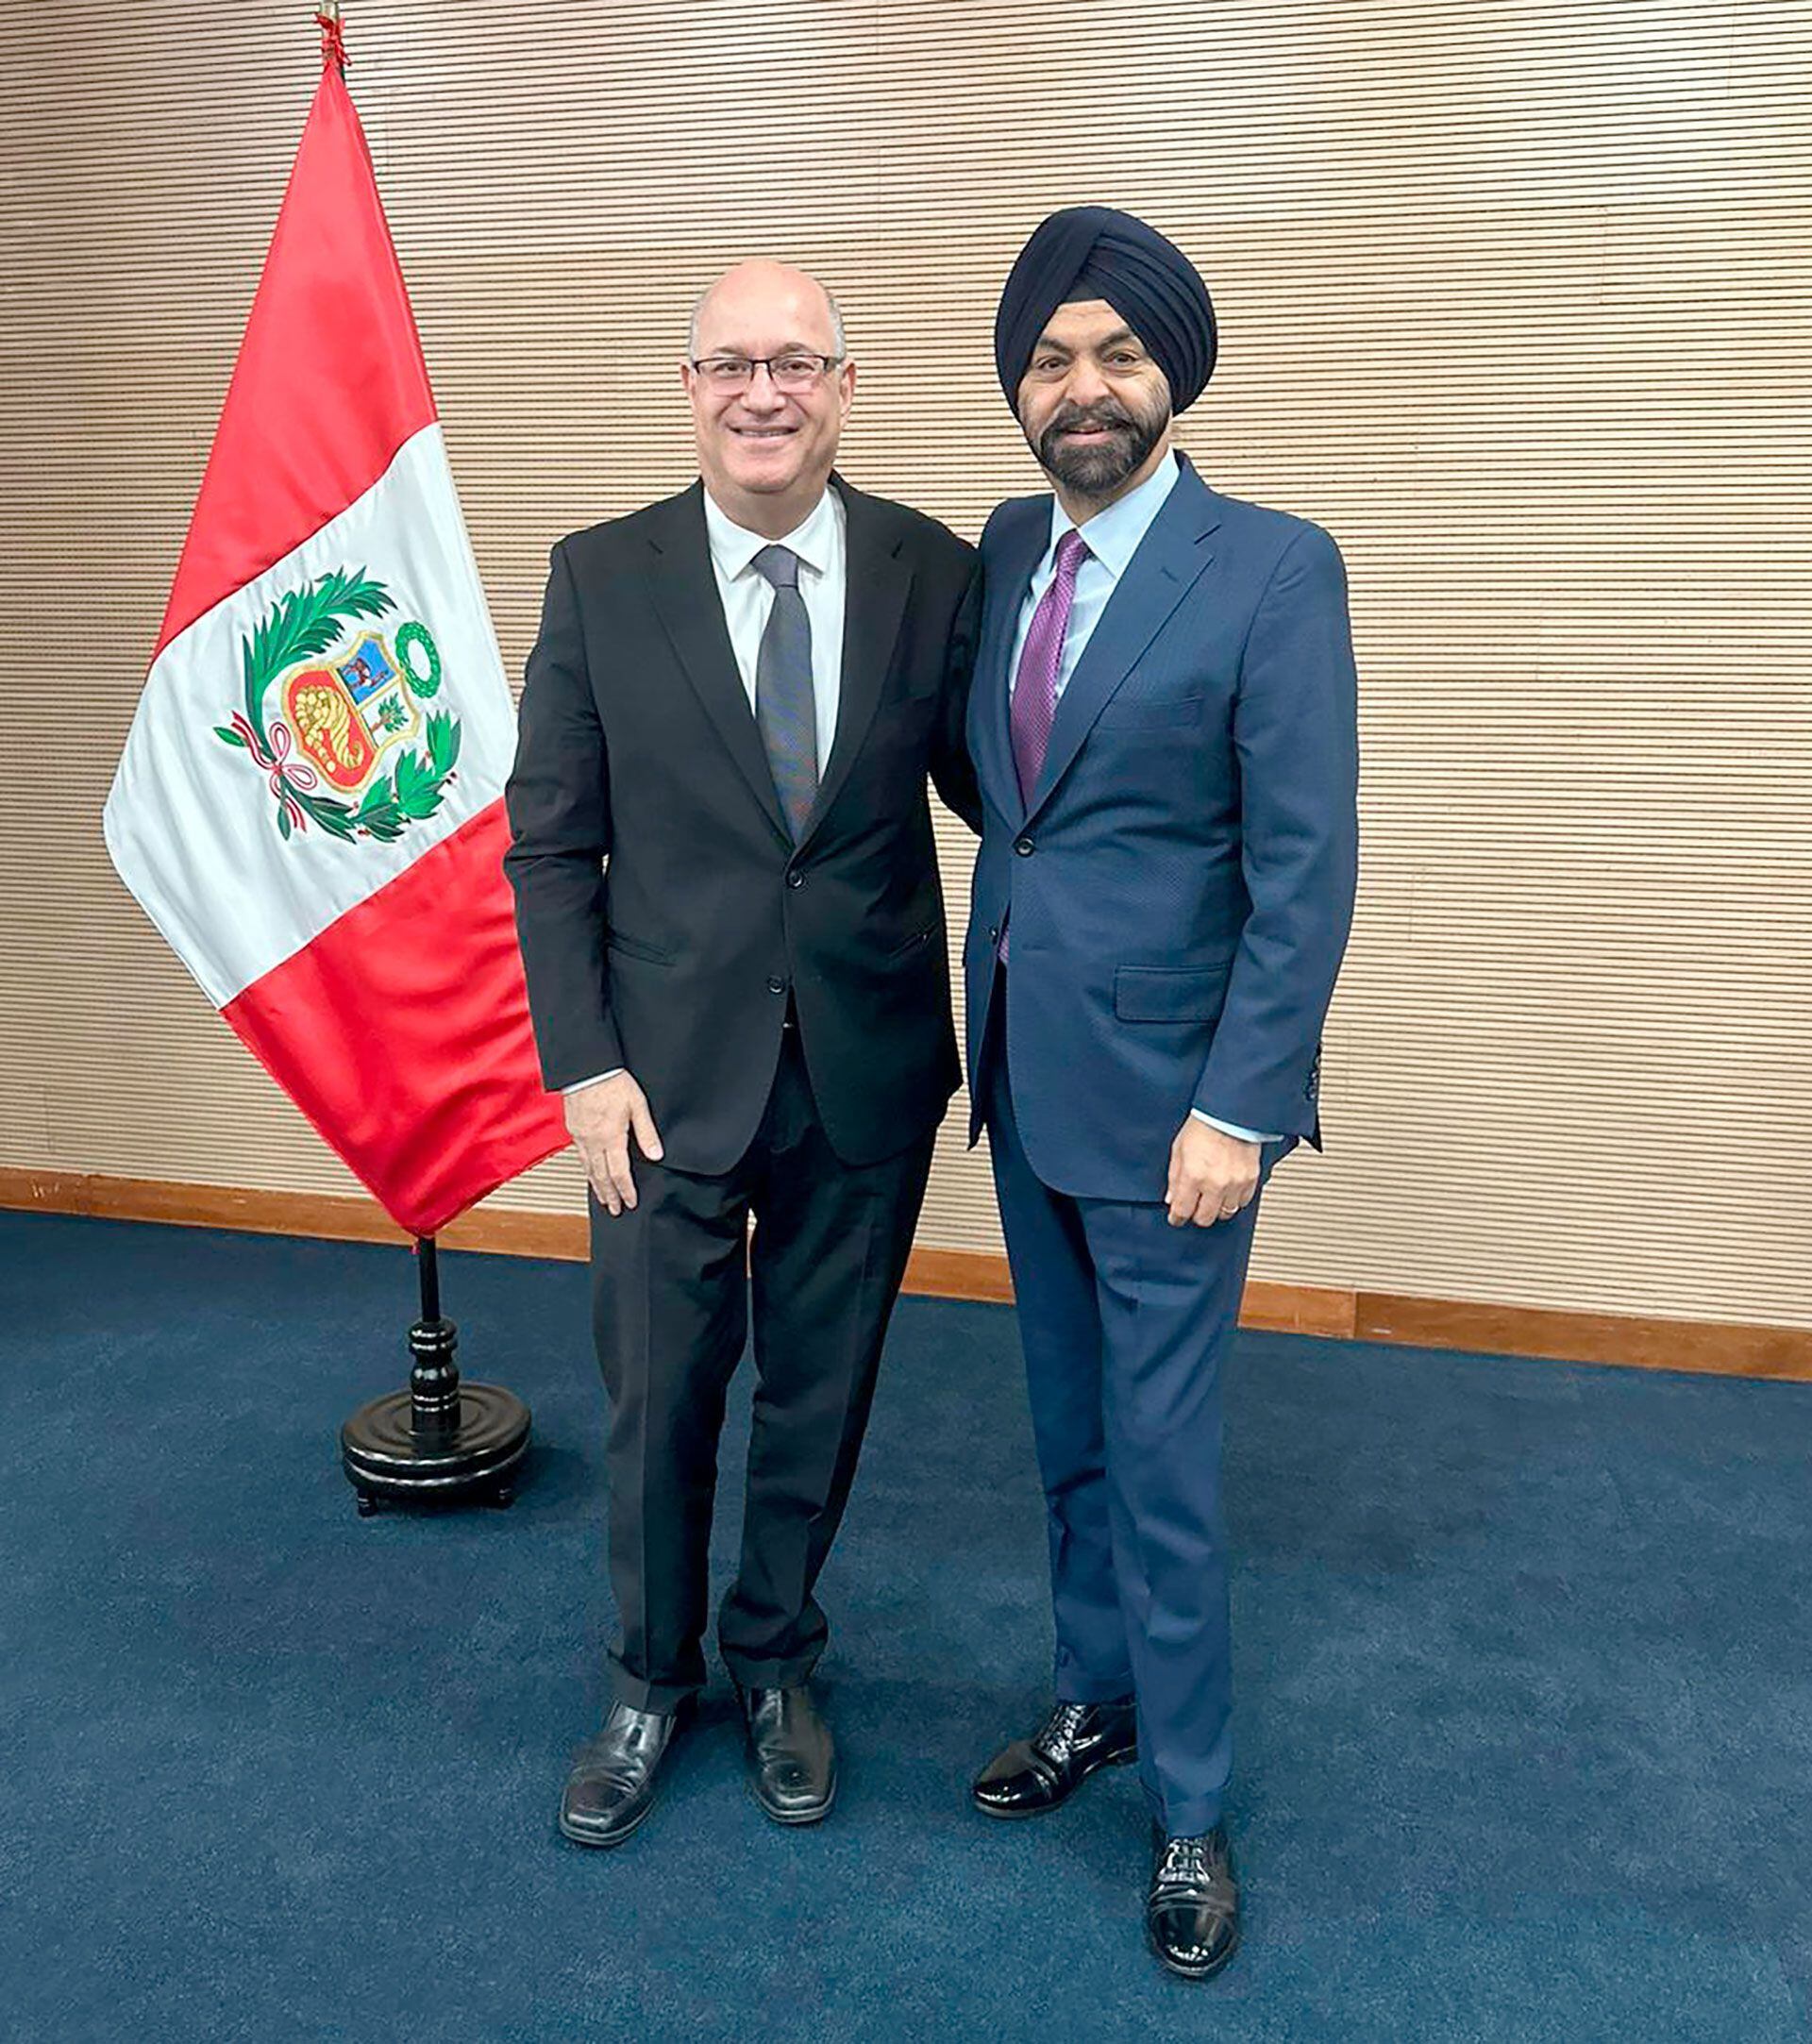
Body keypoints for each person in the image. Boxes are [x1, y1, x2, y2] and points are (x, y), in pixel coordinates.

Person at [504, 260, 979, 1849]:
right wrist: (581, 1061)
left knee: (819, 1392)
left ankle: (776, 1654)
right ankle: (650, 1676)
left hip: (865, 1067)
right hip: (654, 1080)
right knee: (658, 1396)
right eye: (729, 364)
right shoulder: (599, 575)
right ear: (689, 385)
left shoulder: (935, 569)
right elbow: (550, 848)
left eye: (794, 361)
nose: (761, 392)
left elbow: (1010, 787)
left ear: (846, 383)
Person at [961, 208, 1359, 1979]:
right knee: (1067, 1441)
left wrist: (1241, 1105)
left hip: (1178, 1117)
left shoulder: (1273, 567)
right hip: (1024, 1084)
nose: (1084, 385)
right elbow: (1015, 794)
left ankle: (1189, 1804)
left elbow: (1306, 866)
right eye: (1052, 357)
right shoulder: (1000, 550)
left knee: (1169, 1464)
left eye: (1118, 352)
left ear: (1173, 374)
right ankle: (1094, 1699)